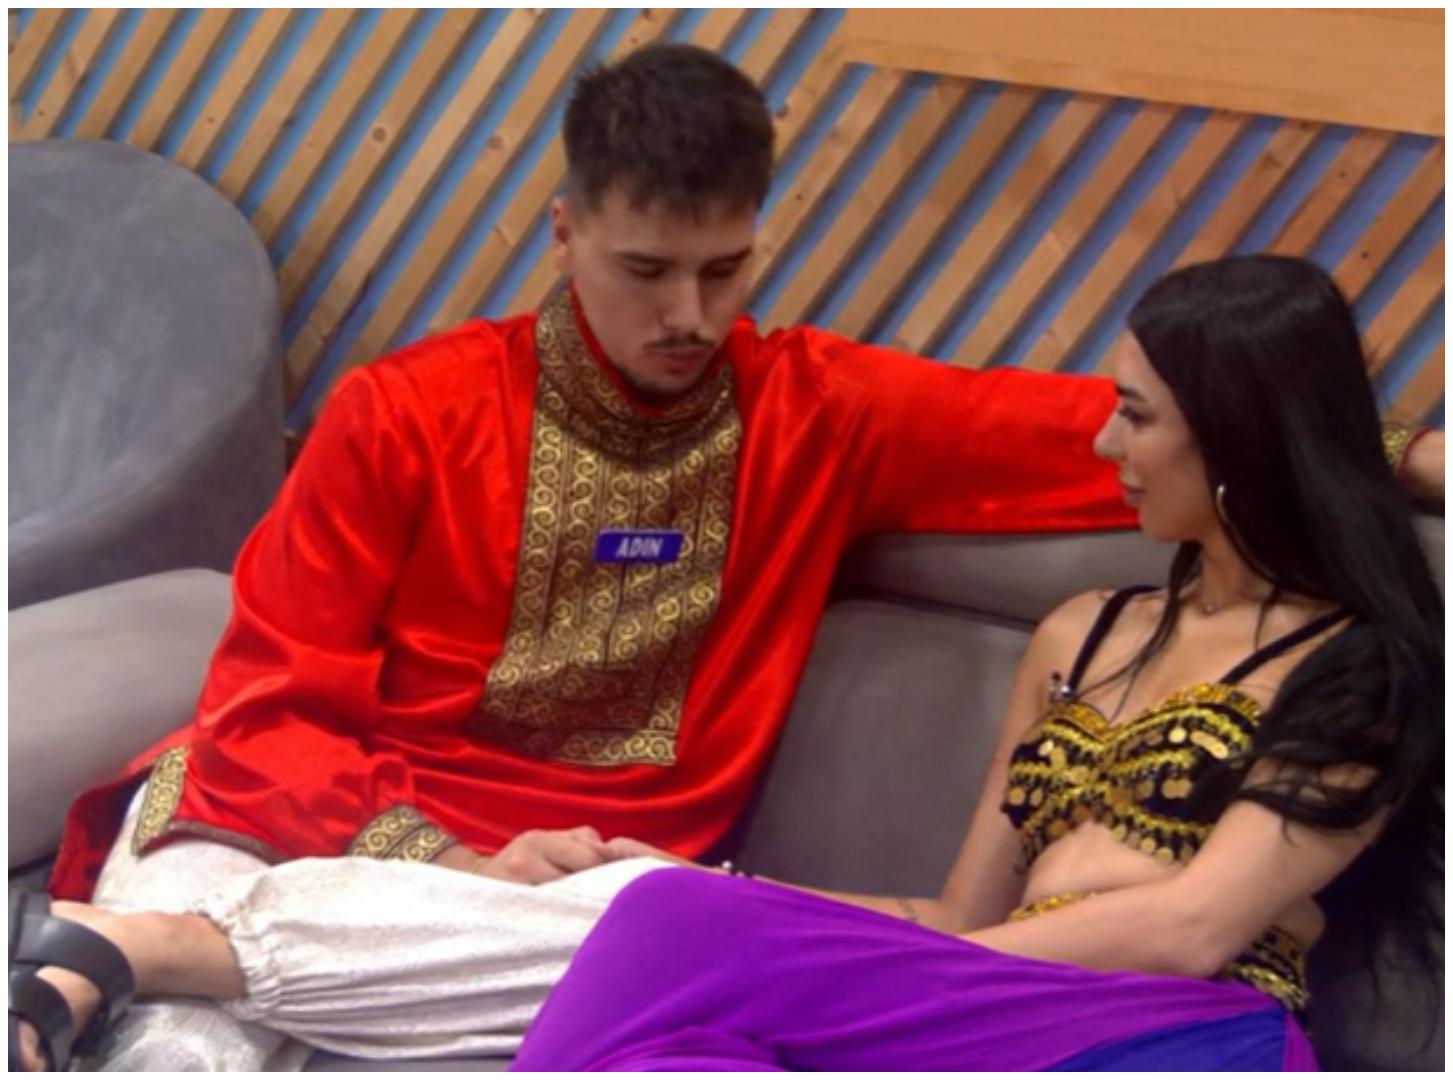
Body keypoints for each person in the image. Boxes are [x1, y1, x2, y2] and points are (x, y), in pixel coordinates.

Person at [10, 42, 1441, 1069]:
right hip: (296, 818)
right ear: (565, 232)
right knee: (183, 1047)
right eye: (647, 272)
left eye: (725, 270)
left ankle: (135, 957)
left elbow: (1122, 425)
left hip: (581, 882)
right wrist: (433, 852)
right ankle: (162, 958)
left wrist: (1387, 451)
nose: (690, 315)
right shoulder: (407, 412)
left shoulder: (817, 410)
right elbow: (267, 699)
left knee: (656, 931)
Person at [502, 255, 1445, 1071]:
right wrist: (716, 884)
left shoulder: (1362, 665)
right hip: (993, 1005)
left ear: (1238, 436)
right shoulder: (1080, 633)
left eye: (1134, 416)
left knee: (667, 928)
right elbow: (953, 917)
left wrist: (887, 968)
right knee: (665, 978)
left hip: (1182, 1027)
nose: (1103, 444)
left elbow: (1192, 928)